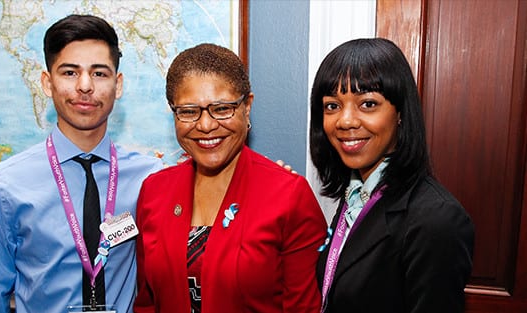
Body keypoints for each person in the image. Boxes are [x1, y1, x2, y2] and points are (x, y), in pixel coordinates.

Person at [0, 14, 163, 312]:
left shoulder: (149, 179)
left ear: (118, 84)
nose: (85, 86)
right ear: (47, 83)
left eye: (99, 73)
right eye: (70, 73)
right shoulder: (5, 184)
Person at [133, 43, 327, 312]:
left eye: (222, 108)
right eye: (189, 111)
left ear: (247, 107)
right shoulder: (154, 192)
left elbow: (303, 308)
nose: (206, 125)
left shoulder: (288, 195)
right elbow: (147, 303)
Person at [310, 38, 475, 313]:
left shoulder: (438, 220)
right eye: (332, 106)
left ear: (400, 113)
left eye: (368, 104)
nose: (346, 120)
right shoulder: (357, 194)